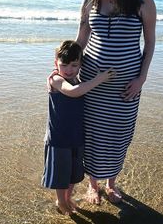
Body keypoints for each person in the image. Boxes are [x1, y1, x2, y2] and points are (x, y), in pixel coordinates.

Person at [75, 0, 156, 204]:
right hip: (91, 83)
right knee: (92, 135)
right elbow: (82, 39)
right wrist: (61, 67)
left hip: (126, 87)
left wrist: (141, 79)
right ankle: (92, 184)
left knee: (118, 135)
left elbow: (151, 42)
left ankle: (112, 183)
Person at [42, 40, 115, 215]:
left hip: (76, 136)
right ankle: (60, 200)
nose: (69, 69)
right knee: (60, 174)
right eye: (64, 65)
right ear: (56, 64)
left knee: (74, 172)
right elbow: (73, 91)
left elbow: (79, 87)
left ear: (80, 64)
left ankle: (68, 197)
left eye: (74, 65)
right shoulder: (56, 79)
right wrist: (99, 79)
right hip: (59, 138)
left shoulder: (77, 79)